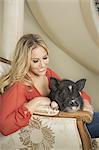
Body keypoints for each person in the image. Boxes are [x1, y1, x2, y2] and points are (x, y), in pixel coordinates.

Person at [0, 34, 98, 138]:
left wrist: (87, 108)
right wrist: (36, 102)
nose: (42, 65)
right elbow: (4, 126)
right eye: (35, 61)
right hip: (63, 131)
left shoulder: (48, 74)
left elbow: (75, 91)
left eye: (45, 58)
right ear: (25, 61)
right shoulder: (20, 85)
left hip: (73, 121)